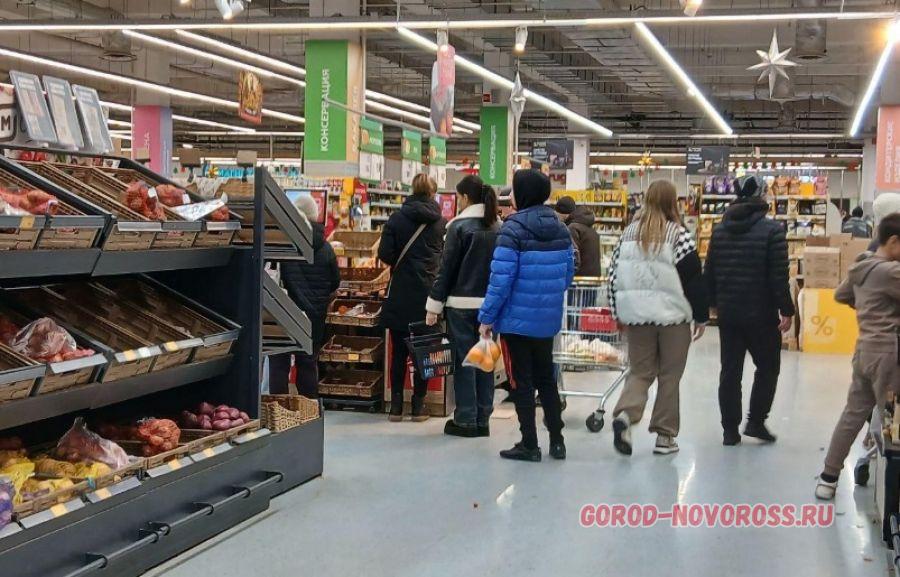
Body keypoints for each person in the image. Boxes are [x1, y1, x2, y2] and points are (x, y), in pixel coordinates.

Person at [478, 169, 575, 462]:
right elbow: (567, 275)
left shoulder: (512, 230)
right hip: (546, 321)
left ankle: (529, 444)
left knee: (521, 382)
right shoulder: (561, 229)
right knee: (546, 378)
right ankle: (558, 441)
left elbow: (501, 280)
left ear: (522, 193)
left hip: (515, 323)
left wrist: (487, 317)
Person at [607, 180, 709, 456]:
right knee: (669, 376)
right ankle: (664, 437)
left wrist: (617, 313)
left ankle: (625, 416)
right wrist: (701, 317)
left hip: (637, 317)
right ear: (672, 201)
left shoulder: (627, 234)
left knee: (640, 372)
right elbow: (693, 282)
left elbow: (613, 278)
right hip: (673, 319)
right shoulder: (679, 235)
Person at [704, 175, 795, 446]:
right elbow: (778, 276)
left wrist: (710, 304)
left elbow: (710, 271)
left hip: (729, 313)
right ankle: (755, 421)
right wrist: (786, 309)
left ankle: (729, 430)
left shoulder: (720, 230)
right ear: (762, 196)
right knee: (768, 367)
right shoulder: (772, 231)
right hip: (761, 314)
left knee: (730, 371)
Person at [815, 213, 900, 499]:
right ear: (893, 241)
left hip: (864, 349)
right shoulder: (890, 272)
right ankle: (892, 494)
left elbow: (841, 295)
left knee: (852, 415)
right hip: (888, 353)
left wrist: (866, 307)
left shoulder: (862, 265)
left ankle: (828, 478)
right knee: (893, 420)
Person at [425, 175, 500, 438]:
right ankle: (483, 417)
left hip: (460, 305)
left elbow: (446, 270)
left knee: (465, 361)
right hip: (490, 307)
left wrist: (433, 306)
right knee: (485, 360)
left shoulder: (458, 227)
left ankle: (466, 418)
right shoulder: (498, 227)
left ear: (465, 197)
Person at [378, 174, 446, 422]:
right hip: (428, 294)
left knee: (399, 351)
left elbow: (385, 253)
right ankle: (419, 406)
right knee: (424, 353)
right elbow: (443, 257)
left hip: (401, 292)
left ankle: (396, 407)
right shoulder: (441, 223)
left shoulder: (397, 219)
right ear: (432, 192)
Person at [280, 195, 341, 397]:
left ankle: (277, 407)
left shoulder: (285, 243)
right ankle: (309, 407)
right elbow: (335, 282)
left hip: (285, 311)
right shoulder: (326, 248)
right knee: (307, 362)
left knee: (279, 361)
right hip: (314, 315)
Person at [555, 196, 601, 276]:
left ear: (563, 214)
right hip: (592, 278)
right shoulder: (588, 227)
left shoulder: (572, 228)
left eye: (557, 214)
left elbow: (572, 258)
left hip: (579, 279)